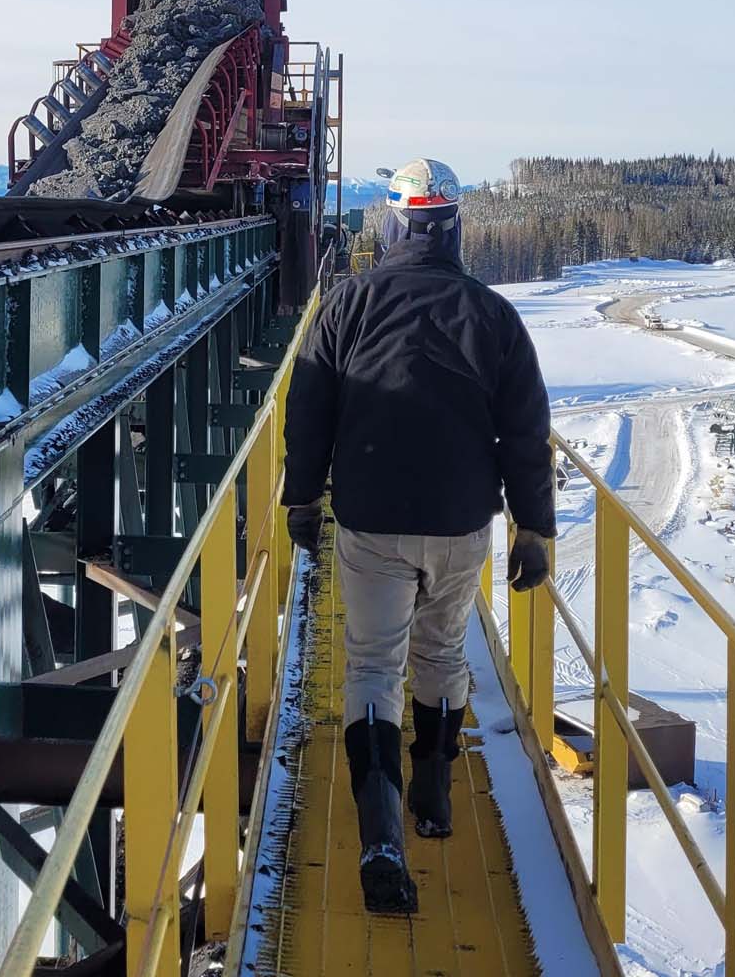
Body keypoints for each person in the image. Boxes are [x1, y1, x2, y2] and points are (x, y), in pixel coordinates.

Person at [280, 157, 555, 914]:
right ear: (454, 225)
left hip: (372, 518)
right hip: (461, 521)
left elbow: (309, 410)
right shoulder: (493, 315)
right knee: (439, 654)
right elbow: (527, 432)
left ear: (395, 223)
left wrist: (301, 501)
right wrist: (534, 527)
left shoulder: (349, 303)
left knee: (373, 665)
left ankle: (380, 836)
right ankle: (432, 795)